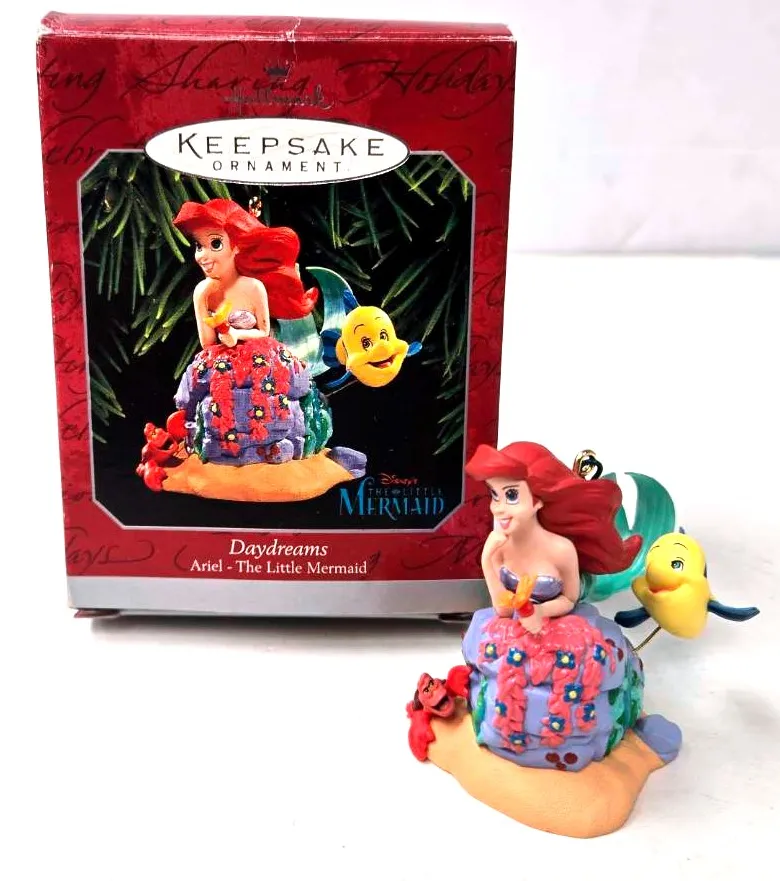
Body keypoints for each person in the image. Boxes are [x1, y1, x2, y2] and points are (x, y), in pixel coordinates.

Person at [465, 441, 641, 632]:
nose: (498, 508)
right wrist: (486, 560)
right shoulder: (498, 546)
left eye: (512, 495)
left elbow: (569, 600)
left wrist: (539, 611)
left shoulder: (561, 550)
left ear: (538, 500)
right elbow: (503, 610)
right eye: (494, 495)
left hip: (558, 629)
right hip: (514, 631)